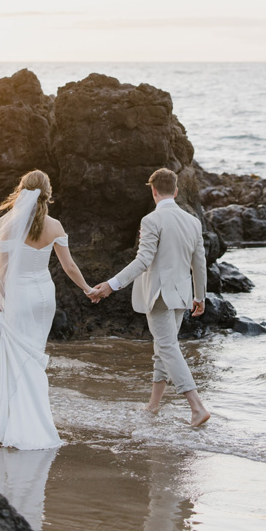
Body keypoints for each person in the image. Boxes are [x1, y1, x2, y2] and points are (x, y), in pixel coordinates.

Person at [0, 169, 96, 450]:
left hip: (18, 295)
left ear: (22, 191)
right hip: (43, 296)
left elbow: (3, 269)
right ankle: (38, 421)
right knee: (34, 355)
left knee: (20, 357)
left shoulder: (10, 226)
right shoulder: (55, 226)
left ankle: (19, 422)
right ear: (47, 193)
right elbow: (68, 266)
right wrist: (87, 288)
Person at [88, 168, 211, 427]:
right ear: (176, 191)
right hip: (182, 296)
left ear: (153, 191)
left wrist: (112, 284)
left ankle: (197, 407)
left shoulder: (151, 220)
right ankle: (153, 406)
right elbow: (199, 263)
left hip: (159, 296)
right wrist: (200, 296)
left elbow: (143, 260)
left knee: (167, 347)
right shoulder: (193, 222)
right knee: (163, 348)